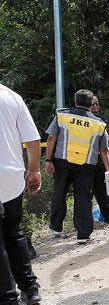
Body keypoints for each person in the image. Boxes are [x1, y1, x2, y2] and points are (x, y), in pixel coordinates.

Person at [45, 89, 109, 244]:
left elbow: (51, 138)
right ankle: (83, 234)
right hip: (87, 165)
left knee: (59, 193)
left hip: (62, 162)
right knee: (83, 197)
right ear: (91, 104)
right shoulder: (99, 123)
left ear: (75, 102)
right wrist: (108, 171)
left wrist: (48, 160)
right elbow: (103, 150)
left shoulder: (62, 116)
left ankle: (56, 227)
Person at [0, 84, 43, 305]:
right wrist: (34, 170)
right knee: (13, 231)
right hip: (11, 178)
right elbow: (32, 138)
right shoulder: (12, 96)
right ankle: (30, 288)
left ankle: (7, 298)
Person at [89, 96, 109, 224]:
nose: (95, 107)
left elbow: (104, 145)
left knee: (103, 192)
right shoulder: (86, 121)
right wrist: (108, 170)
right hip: (88, 162)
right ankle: (86, 221)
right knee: (86, 194)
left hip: (99, 162)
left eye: (97, 104)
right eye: (92, 104)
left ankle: (107, 217)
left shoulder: (100, 121)